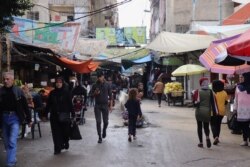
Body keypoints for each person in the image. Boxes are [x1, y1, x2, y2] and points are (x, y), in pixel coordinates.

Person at [0, 71, 32, 167]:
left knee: (12, 141)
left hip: (15, 118)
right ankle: (12, 157)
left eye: (7, 79)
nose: (5, 81)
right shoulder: (1, 91)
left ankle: (10, 163)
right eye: (4, 79)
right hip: (4, 118)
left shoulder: (18, 91)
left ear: (12, 80)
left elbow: (25, 106)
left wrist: (29, 119)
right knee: (6, 141)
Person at [45, 76, 74, 155]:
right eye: (57, 82)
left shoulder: (67, 93)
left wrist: (73, 114)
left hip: (64, 115)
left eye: (60, 82)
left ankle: (66, 141)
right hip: (54, 116)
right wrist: (45, 113)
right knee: (55, 133)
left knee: (65, 132)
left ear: (62, 83)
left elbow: (70, 104)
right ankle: (57, 148)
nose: (58, 84)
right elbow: (48, 104)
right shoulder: (52, 93)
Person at [90, 72, 112, 143]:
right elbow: (90, 95)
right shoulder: (94, 85)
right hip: (97, 105)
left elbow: (111, 96)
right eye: (98, 77)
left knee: (106, 122)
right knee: (98, 121)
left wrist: (111, 106)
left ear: (103, 76)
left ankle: (104, 130)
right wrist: (95, 93)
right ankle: (99, 137)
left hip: (105, 105)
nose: (100, 78)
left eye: (101, 76)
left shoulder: (107, 84)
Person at [193, 77, 213, 148]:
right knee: (206, 126)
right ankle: (207, 137)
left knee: (199, 127)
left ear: (200, 83)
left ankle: (201, 142)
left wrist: (193, 95)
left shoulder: (197, 91)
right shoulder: (210, 91)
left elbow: (195, 104)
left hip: (199, 112)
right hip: (207, 112)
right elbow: (213, 103)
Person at [233, 72, 250, 146]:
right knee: (244, 125)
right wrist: (234, 109)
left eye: (242, 77)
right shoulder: (238, 87)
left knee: (248, 125)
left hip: (249, 109)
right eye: (239, 77)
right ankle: (245, 140)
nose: (240, 79)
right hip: (241, 110)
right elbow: (235, 99)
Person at [210, 80, 228, 145]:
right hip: (221, 112)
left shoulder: (212, 92)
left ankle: (215, 136)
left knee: (212, 124)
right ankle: (217, 137)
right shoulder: (224, 92)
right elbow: (226, 102)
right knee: (218, 124)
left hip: (213, 111)